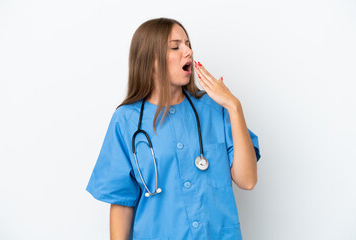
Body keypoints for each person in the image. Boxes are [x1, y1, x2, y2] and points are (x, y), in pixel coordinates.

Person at [86, 17, 261, 240]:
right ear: (150, 59)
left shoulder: (215, 109)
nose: (188, 51)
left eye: (188, 44)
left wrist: (234, 107)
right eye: (175, 46)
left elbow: (247, 180)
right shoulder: (126, 120)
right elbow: (122, 202)